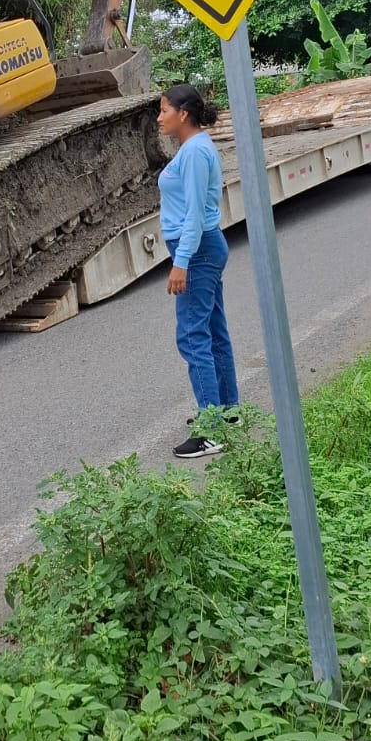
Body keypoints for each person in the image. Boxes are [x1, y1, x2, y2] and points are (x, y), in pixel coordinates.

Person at [157, 83, 239, 459]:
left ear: (183, 114)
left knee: (192, 336)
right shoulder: (198, 147)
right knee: (213, 331)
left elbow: (192, 215)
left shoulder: (193, 152)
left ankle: (211, 429)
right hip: (205, 247)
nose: (159, 118)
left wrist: (181, 262)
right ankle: (227, 411)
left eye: (164, 111)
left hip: (197, 250)